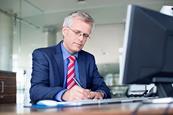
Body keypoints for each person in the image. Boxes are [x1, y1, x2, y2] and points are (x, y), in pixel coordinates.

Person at [30, 11, 111, 103]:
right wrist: (65, 94)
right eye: (77, 32)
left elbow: (103, 87)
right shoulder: (43, 55)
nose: (81, 39)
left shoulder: (88, 59)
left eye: (85, 35)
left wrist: (99, 93)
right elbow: (35, 91)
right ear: (65, 31)